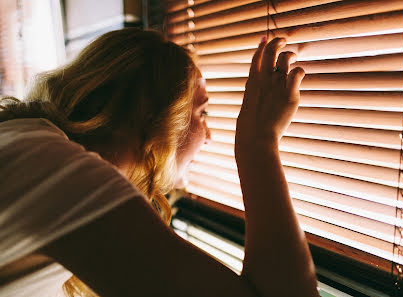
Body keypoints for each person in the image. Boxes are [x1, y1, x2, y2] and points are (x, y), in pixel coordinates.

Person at [0, 28, 318, 296]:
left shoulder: (29, 147)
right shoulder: (55, 172)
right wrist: (258, 144)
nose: (208, 135)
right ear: (152, 115)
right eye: (201, 113)